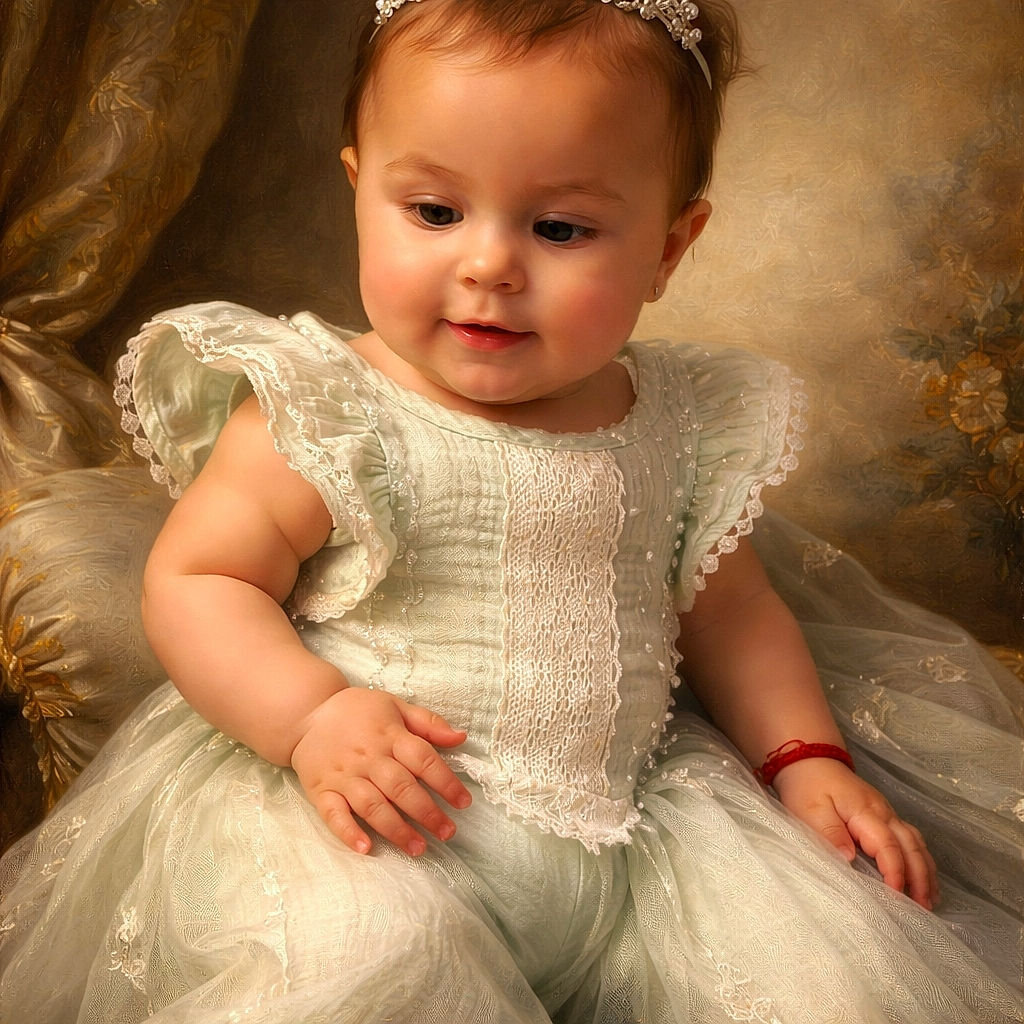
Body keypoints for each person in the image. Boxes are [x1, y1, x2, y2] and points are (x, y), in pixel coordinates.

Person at [1, 0, 1022, 1020]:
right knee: (357, 969)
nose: (488, 264)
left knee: (830, 986)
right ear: (360, 190)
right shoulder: (328, 409)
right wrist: (310, 716)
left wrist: (805, 760)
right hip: (367, 822)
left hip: (632, 837)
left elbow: (731, 615)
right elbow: (200, 580)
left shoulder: (681, 422)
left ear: (670, 247)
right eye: (435, 213)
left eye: (560, 227)